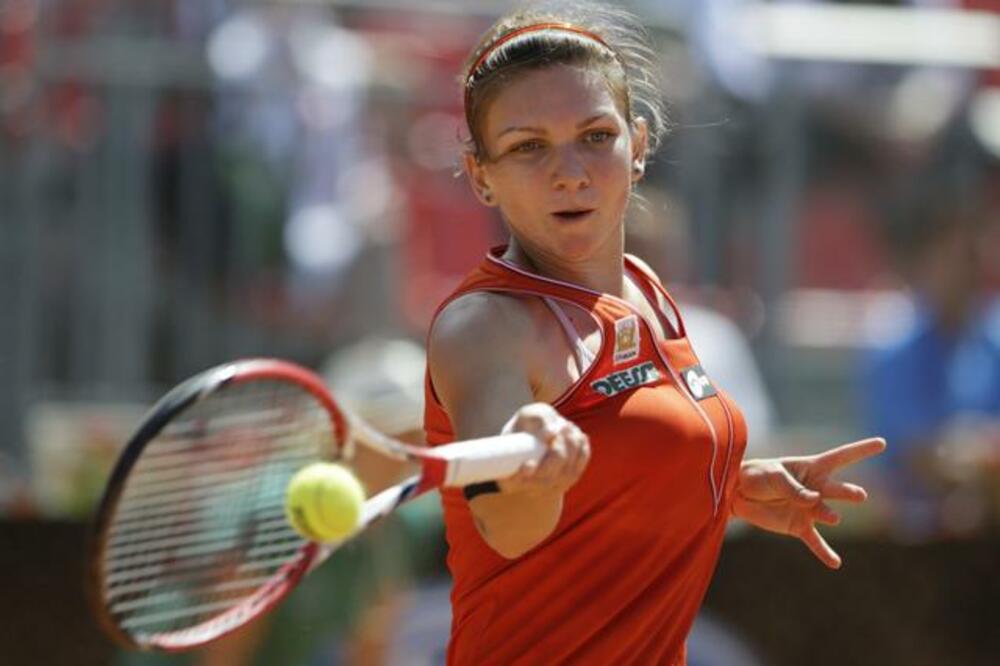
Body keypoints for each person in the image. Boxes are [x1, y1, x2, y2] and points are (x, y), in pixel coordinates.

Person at [423, 3, 885, 664]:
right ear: (480, 175)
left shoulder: (645, 290)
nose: (570, 171)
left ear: (637, 147)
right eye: (528, 147)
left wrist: (725, 486)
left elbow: (616, 471)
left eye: (594, 135)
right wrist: (531, 472)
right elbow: (508, 526)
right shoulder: (484, 326)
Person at [861, 189, 1000, 540]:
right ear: (923, 261)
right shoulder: (891, 344)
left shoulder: (994, 340)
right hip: (911, 542)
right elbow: (915, 454)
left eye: (970, 256)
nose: (962, 270)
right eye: (950, 255)